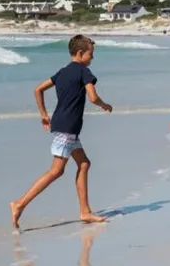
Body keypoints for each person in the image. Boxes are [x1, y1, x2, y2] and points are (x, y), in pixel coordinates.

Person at [10, 35, 113, 230]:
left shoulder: (62, 72)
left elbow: (38, 89)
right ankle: (20, 204)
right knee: (56, 171)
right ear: (81, 53)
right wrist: (105, 105)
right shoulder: (84, 71)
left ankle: (85, 211)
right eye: (91, 54)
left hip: (65, 127)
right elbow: (92, 97)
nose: (92, 58)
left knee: (84, 164)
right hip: (67, 129)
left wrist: (43, 114)